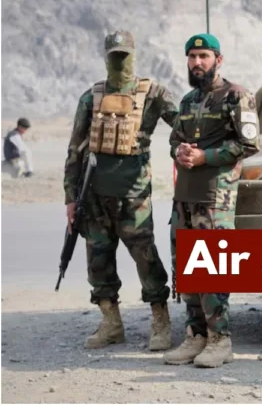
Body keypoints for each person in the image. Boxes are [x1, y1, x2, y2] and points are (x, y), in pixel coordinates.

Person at [63, 30, 178, 351]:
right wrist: (70, 198)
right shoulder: (91, 98)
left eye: (124, 56)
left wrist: (186, 151)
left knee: (146, 259)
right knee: (98, 261)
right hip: (94, 198)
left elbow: (184, 126)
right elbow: (74, 151)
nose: (119, 61)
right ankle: (111, 323)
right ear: (105, 57)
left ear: (133, 55)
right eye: (114, 56)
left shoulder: (153, 94)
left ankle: (160, 320)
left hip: (133, 197)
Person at [163, 33, 260, 368]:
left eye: (203, 56)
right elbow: (174, 139)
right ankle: (196, 336)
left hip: (215, 198)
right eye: (192, 57)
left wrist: (206, 156)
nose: (197, 62)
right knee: (186, 268)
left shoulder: (237, 96)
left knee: (212, 268)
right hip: (185, 197)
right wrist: (179, 150)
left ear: (218, 59)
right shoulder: (188, 100)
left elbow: (248, 145)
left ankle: (220, 340)